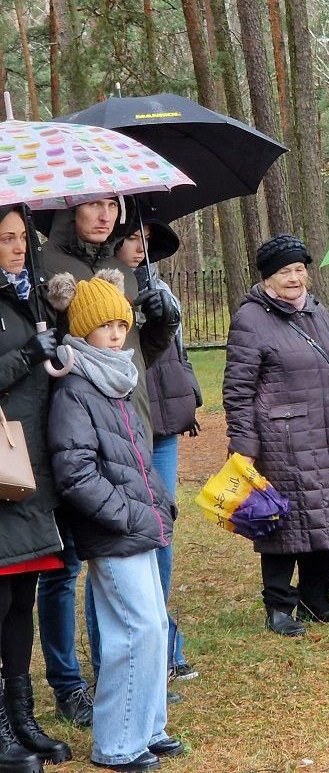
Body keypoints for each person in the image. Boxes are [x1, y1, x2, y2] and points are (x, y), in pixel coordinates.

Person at [37, 199, 180, 725]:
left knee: (134, 578)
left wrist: (158, 326)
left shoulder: (117, 266)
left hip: (128, 427)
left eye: (112, 204)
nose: (104, 214)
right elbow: (67, 355)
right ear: (69, 207)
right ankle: (70, 682)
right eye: (92, 204)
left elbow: (134, 354)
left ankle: (131, 686)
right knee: (65, 568)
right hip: (77, 433)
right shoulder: (46, 264)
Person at [223, 235, 329, 637]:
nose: (294, 278)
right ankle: (279, 608)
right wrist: (244, 447)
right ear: (268, 279)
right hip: (280, 439)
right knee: (279, 523)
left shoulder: (317, 311)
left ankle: (318, 602)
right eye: (284, 272)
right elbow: (237, 390)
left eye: (299, 269)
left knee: (325, 517)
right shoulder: (251, 319)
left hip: (327, 432)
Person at [115, 219, 201, 684]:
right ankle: (129, 650)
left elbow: (176, 354)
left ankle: (166, 642)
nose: (139, 248)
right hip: (121, 422)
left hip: (163, 423)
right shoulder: (101, 289)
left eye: (145, 241)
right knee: (124, 538)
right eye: (131, 238)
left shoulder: (161, 287)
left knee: (162, 528)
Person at [0, 206, 71, 773]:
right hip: (2, 468)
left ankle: (22, 717)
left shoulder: (36, 295)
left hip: (34, 467)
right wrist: (29, 353)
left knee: (23, 597)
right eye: (5, 239)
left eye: (22, 237)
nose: (18, 247)